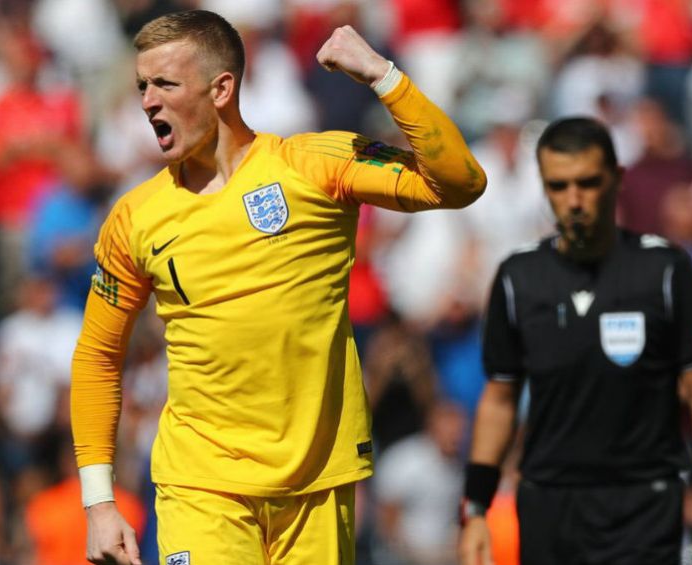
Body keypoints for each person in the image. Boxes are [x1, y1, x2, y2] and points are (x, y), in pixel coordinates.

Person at [70, 9, 486, 565]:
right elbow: (98, 354)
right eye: (143, 86)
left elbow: (459, 182)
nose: (147, 101)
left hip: (317, 482)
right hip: (201, 484)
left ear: (221, 88)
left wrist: (382, 76)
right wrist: (99, 503)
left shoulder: (313, 166)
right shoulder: (135, 217)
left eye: (165, 84)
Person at [458, 117, 692, 565]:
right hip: (549, 504)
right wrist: (475, 509)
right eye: (558, 186)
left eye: (588, 183)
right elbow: (499, 399)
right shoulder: (519, 278)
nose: (574, 200)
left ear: (617, 179)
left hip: (643, 504)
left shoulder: (664, 270)